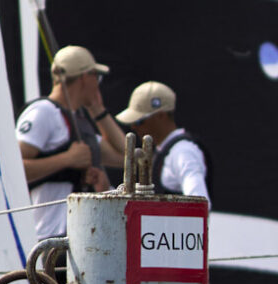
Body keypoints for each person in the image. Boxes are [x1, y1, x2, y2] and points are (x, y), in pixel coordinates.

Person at [17, 45, 126, 248]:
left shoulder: (79, 120)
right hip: (51, 238)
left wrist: (98, 111)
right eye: (96, 77)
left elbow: (126, 158)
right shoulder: (43, 112)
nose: (98, 85)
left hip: (81, 236)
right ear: (85, 77)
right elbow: (14, 169)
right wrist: (67, 159)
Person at [115, 80, 208, 201]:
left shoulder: (183, 152)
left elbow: (199, 202)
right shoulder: (165, 150)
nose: (133, 127)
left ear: (161, 115)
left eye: (139, 121)